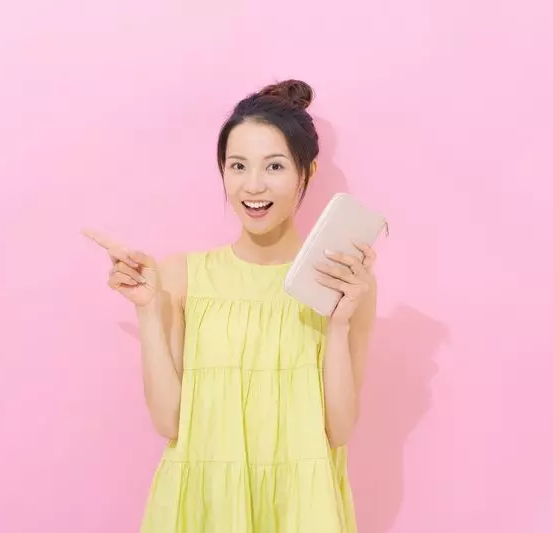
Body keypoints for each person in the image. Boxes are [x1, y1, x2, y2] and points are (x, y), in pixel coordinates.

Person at [83, 79, 378, 533]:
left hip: (299, 511)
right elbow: (169, 422)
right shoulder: (181, 276)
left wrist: (338, 324)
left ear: (307, 173)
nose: (252, 185)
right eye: (237, 165)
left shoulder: (343, 285)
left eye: (274, 166)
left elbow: (338, 431)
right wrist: (147, 309)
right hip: (205, 509)